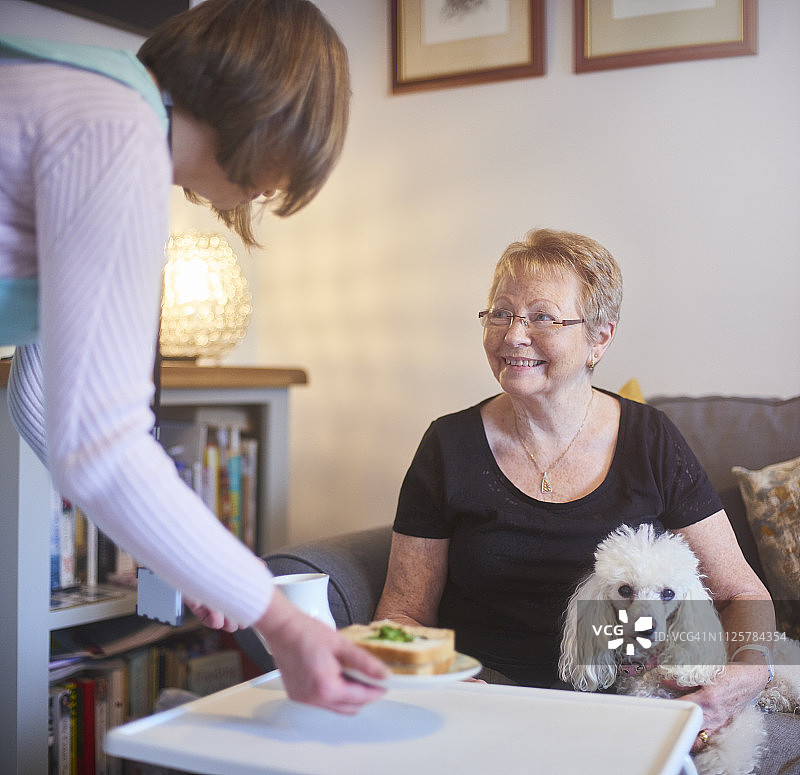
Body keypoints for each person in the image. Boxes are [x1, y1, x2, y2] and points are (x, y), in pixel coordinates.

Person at [0, 0, 387, 714]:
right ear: (265, 108)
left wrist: (190, 556)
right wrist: (278, 614)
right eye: (294, 155)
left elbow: (44, 405)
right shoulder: (116, 131)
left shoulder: (105, 105)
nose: (276, 187)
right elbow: (98, 443)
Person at [374, 227, 776, 750]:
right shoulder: (448, 444)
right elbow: (401, 614)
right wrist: (438, 679)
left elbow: (741, 592)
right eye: (500, 312)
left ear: (600, 337)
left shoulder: (651, 439)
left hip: (625, 700)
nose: (513, 335)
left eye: (542, 317)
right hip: (488, 696)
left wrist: (747, 674)